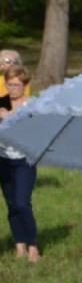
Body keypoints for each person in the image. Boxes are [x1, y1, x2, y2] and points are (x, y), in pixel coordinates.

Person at [0, 66, 39, 262]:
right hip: (3, 160)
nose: (12, 89)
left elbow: (36, 131)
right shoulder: (1, 103)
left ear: (25, 85)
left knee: (23, 203)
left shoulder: (32, 105)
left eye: (16, 85)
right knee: (12, 204)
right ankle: (19, 246)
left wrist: (12, 118)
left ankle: (32, 246)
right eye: (9, 84)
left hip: (25, 160)